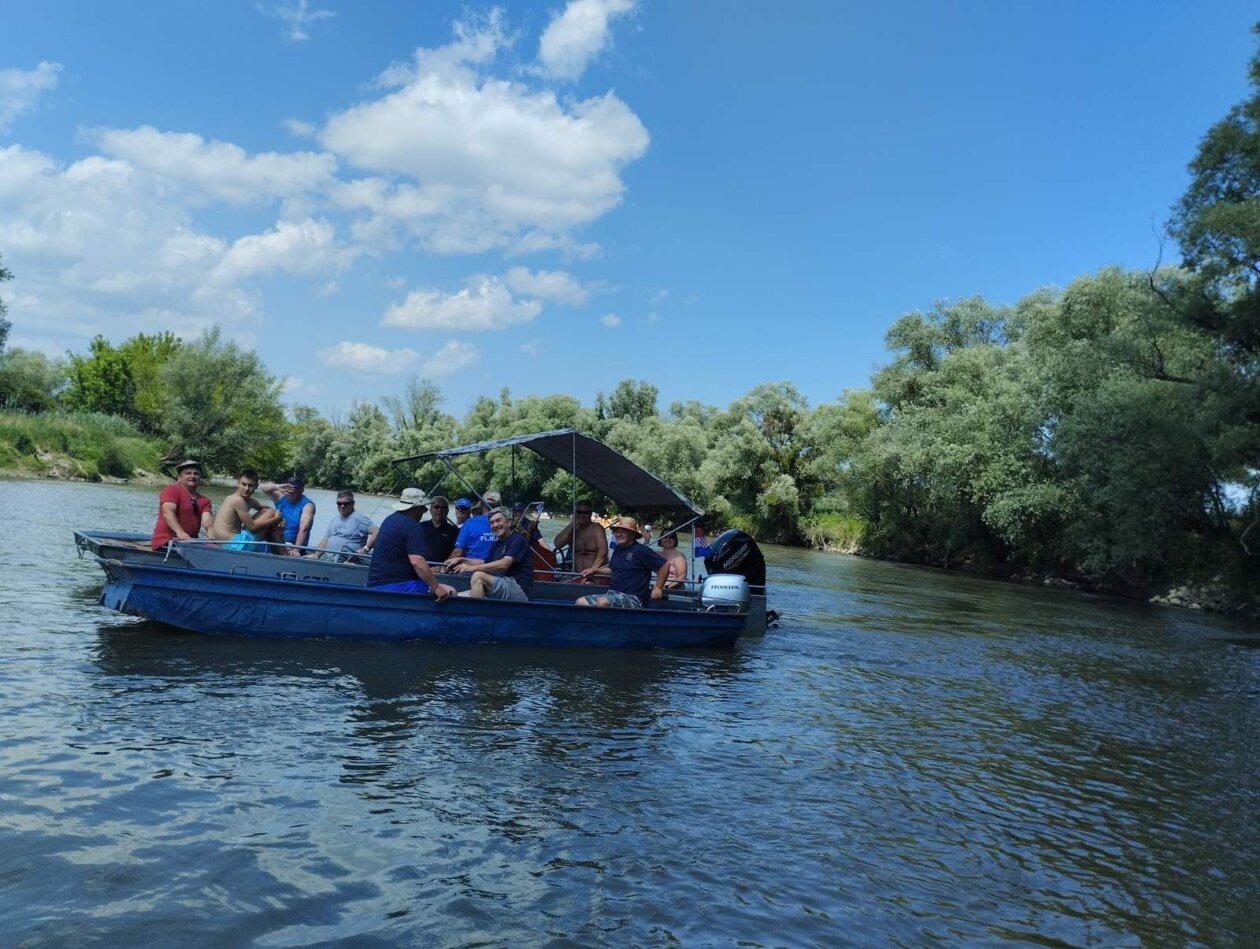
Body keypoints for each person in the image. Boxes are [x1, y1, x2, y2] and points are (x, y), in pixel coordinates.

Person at [366, 488, 456, 599]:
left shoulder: (389, 519)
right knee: (451, 591)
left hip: (374, 583)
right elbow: (417, 561)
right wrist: (436, 587)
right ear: (417, 508)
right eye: (424, 508)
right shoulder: (412, 526)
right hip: (398, 585)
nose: (425, 511)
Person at [576, 517, 668, 608]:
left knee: (603, 602)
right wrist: (595, 570)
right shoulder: (618, 549)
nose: (618, 534)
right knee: (580, 602)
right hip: (612, 594)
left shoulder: (641, 550)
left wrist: (658, 588)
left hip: (634, 598)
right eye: (617, 531)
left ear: (632, 534)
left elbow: (665, 565)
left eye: (623, 531)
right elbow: (612, 569)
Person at [457, 507, 534, 602]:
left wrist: (471, 568)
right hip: (501, 584)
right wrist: (461, 560)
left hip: (518, 588)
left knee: (478, 576)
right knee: (457, 597)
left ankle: (478, 616)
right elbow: (485, 562)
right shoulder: (497, 543)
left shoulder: (517, 539)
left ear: (509, 522)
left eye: (498, 521)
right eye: (492, 523)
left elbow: (504, 564)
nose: (495, 525)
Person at [211, 468, 285, 552]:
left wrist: (280, 519)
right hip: (233, 545)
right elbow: (253, 528)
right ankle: (283, 555)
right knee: (271, 514)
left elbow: (265, 509)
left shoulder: (250, 501)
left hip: (224, 543)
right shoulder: (237, 500)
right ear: (238, 483)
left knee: (269, 512)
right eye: (244, 484)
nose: (246, 488)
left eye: (250, 485)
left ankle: (280, 553)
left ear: (256, 486)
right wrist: (276, 519)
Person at [151, 459, 214, 549]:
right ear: (179, 478)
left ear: (200, 478)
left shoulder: (204, 500)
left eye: (196, 474)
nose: (192, 476)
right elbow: (168, 513)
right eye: (188, 473)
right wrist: (180, 532)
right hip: (166, 542)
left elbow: (207, 520)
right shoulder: (171, 490)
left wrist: (211, 530)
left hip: (189, 544)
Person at [312, 489, 376, 560]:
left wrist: (366, 549)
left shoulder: (360, 519)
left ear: (352, 503)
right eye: (339, 503)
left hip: (348, 560)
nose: (342, 506)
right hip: (328, 557)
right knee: (303, 558)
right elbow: (326, 539)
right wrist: (316, 555)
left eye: (346, 503)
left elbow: (377, 532)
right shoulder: (335, 519)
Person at [262, 474, 316, 554]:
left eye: (295, 488)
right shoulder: (281, 498)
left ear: (302, 490)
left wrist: (296, 549)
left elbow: (303, 529)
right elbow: (264, 488)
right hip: (274, 538)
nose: (292, 490)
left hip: (291, 543)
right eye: (289, 487)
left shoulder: (308, 505)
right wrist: (277, 487)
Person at [445, 490, 500, 568]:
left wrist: (441, 567)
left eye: (464, 508)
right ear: (499, 506)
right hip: (496, 572)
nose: (460, 510)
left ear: (481, 504)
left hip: (471, 572)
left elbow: (457, 553)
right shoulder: (505, 525)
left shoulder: (470, 523)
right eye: (458, 508)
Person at [553, 502, 608, 575]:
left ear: (590, 514)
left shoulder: (597, 529)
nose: (582, 515)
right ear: (575, 513)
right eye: (579, 512)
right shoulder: (573, 530)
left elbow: (603, 551)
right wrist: (573, 524)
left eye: (585, 513)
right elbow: (557, 544)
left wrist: (592, 570)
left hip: (595, 576)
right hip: (577, 575)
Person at [418, 495, 459, 562]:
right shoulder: (420, 527)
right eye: (436, 507)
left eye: (443, 508)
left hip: (442, 569)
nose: (439, 510)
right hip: (422, 566)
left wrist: (443, 567)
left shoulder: (454, 531)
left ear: (447, 511)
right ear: (430, 509)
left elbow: (456, 552)